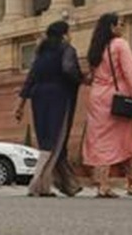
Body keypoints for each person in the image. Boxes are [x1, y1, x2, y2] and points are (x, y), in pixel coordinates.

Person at [81, 12, 132, 198]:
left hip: (97, 98)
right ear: (112, 27)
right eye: (119, 24)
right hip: (118, 97)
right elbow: (130, 72)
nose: (122, 27)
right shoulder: (120, 45)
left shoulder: (96, 48)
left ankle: (102, 185)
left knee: (101, 141)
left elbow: (90, 77)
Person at [15, 20, 83, 198]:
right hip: (58, 96)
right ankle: (36, 183)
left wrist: (20, 105)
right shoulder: (67, 49)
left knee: (45, 139)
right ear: (64, 34)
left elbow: (30, 78)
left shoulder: (40, 53)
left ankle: (46, 185)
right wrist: (82, 79)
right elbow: (69, 69)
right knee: (56, 139)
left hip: (38, 97)